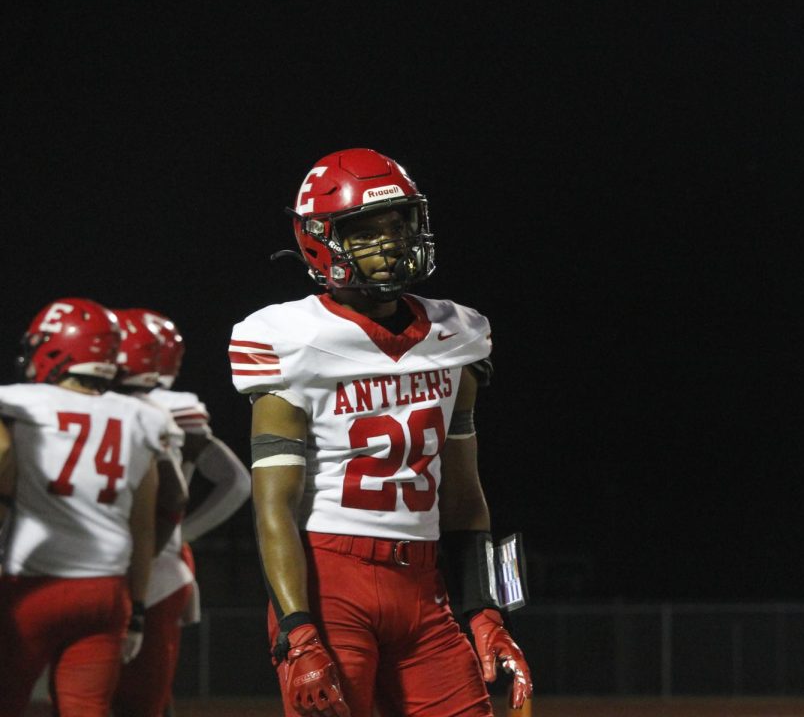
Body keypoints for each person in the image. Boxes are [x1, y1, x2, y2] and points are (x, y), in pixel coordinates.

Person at [230, 148, 532, 717]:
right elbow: (273, 509)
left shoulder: (459, 333)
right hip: (329, 581)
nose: (391, 243)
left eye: (398, 225)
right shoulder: (285, 338)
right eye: (366, 232)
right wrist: (297, 631)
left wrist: (491, 609)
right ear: (321, 240)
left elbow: (467, 497)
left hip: (424, 586)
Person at [0, 298, 172, 716]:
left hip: (32, 584)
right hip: (106, 591)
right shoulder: (140, 417)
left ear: (57, 346)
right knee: (87, 708)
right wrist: (138, 609)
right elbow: (143, 525)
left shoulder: (18, 402)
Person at [108, 308, 250, 717]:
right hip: (132, 563)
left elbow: (237, 482)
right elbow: (237, 482)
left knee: (133, 696)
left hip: (147, 567)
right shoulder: (158, 408)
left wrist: (179, 535)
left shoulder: (167, 411)